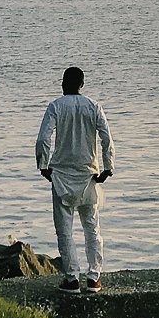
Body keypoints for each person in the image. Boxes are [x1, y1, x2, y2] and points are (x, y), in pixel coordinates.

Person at [35, 65, 114, 295]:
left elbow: (43, 140)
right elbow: (107, 139)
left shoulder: (56, 107)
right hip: (88, 175)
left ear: (63, 83)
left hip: (61, 176)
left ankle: (71, 278)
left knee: (65, 230)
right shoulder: (93, 107)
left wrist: (43, 165)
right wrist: (108, 167)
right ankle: (93, 277)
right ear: (82, 85)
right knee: (92, 228)